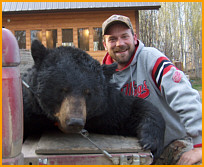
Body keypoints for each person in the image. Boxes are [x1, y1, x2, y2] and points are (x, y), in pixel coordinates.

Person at [102, 14, 202, 165]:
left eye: (124, 36)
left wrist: (200, 146)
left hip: (171, 144)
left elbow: (185, 97)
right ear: (105, 44)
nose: (119, 43)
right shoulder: (101, 77)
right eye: (113, 39)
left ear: (134, 38)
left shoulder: (151, 59)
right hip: (129, 150)